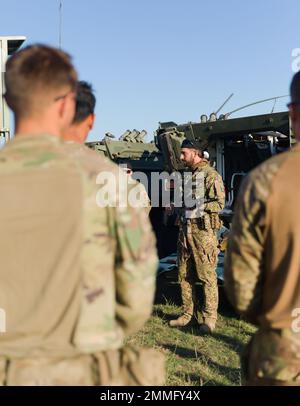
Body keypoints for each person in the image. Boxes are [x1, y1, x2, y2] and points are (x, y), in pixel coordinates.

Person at [0, 45, 162, 386]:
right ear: (66, 104)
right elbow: (135, 294)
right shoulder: (109, 181)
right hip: (80, 365)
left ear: (9, 99)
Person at [224, 71, 300, 386]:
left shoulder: (265, 181)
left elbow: (241, 287)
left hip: (286, 350)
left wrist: (275, 320)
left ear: (292, 113)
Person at [169, 139, 225, 334]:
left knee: (207, 276)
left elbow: (219, 204)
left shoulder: (211, 175)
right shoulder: (187, 176)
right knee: (184, 275)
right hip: (185, 234)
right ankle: (187, 315)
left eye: (184, 153)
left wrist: (198, 204)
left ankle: (209, 318)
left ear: (195, 153)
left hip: (203, 234)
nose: (181, 157)